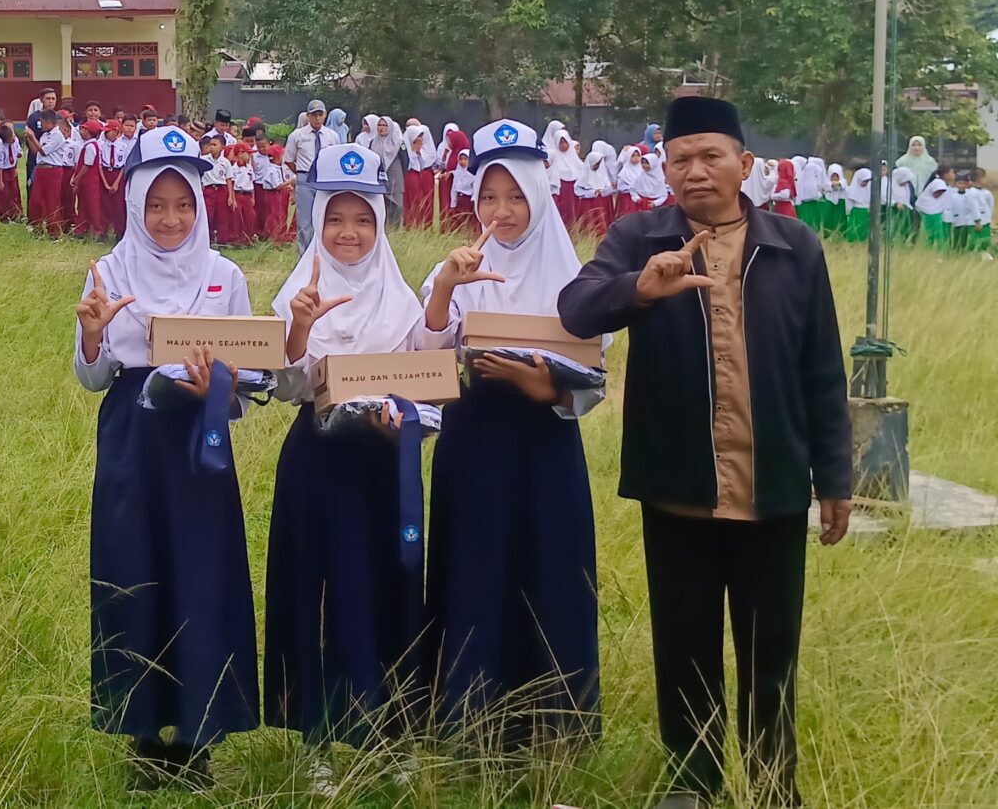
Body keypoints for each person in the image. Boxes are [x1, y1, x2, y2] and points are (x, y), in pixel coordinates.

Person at [556, 96, 852, 809]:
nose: (695, 171)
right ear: (664, 168)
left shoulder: (794, 246)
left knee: (771, 650)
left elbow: (822, 369)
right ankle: (692, 785)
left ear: (744, 164)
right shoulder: (638, 236)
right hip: (678, 487)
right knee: (684, 648)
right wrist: (639, 288)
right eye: (680, 159)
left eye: (711, 156)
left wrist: (835, 476)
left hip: (772, 487)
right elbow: (576, 307)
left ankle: (775, 788)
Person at [74, 125, 260, 790]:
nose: (170, 218)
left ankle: (198, 736)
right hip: (134, 437)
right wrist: (92, 335)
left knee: (201, 574)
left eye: (183, 204)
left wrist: (223, 387)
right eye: (156, 204)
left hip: (200, 442)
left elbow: (247, 378)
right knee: (136, 568)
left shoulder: (225, 275)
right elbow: (93, 377)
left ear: (200, 204)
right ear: (134, 202)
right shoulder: (109, 271)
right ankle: (145, 736)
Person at [419, 119, 605, 753]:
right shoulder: (460, 267)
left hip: (545, 442)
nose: (501, 212)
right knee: (475, 566)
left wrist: (544, 387)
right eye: (489, 198)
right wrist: (446, 287)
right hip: (474, 440)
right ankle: (468, 718)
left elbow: (593, 375)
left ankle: (553, 727)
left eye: (516, 197)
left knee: (549, 567)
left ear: (540, 197)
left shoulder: (575, 279)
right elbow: (427, 353)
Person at [263, 143, 425, 788]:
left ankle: (394, 737)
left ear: (380, 223)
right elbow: (285, 388)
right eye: (335, 219)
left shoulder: (404, 303)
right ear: (317, 222)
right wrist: (300, 330)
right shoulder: (295, 295)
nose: (348, 233)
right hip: (318, 460)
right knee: (317, 589)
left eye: (362, 219)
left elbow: (425, 388)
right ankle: (316, 739)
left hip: (384, 465)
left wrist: (404, 419)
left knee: (389, 586)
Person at [287, 101, 338, 249]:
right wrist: (301, 174)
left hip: (325, 179)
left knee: (326, 217)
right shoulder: (297, 135)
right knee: (305, 221)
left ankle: (324, 252)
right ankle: (305, 255)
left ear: (325, 115)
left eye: (320, 114)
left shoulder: (332, 136)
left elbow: (336, 158)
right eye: (314, 115)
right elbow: (289, 159)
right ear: (308, 115)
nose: (317, 118)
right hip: (305, 179)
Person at [31, 110, 80, 237]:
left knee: (52, 200)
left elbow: (44, 151)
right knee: (36, 200)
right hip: (41, 169)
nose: (41, 125)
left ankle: (54, 231)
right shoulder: (44, 135)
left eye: (42, 122)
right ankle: (37, 227)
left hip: (52, 169)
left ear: (48, 122)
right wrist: (30, 139)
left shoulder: (57, 135)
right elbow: (36, 151)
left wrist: (32, 137)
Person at [0, 111, 25, 224]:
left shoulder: (15, 141)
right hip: (3, 171)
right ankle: (4, 215)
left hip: (12, 169)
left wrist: (16, 167)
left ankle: (16, 213)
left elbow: (17, 154)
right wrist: (0, 181)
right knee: (4, 194)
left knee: (15, 192)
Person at [255, 143, 294, 244]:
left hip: (278, 194)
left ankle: (281, 237)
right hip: (273, 194)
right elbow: (277, 185)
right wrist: (290, 181)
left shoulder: (277, 168)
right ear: (277, 157)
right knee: (274, 216)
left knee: (281, 215)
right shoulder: (272, 170)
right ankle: (274, 238)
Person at [404, 119, 438, 229]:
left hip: (425, 175)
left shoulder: (428, 148)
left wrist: (419, 152)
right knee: (413, 201)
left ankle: (426, 225)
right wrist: (414, 151)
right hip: (412, 176)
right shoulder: (404, 147)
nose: (420, 139)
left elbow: (430, 161)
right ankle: (411, 225)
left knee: (427, 201)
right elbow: (408, 163)